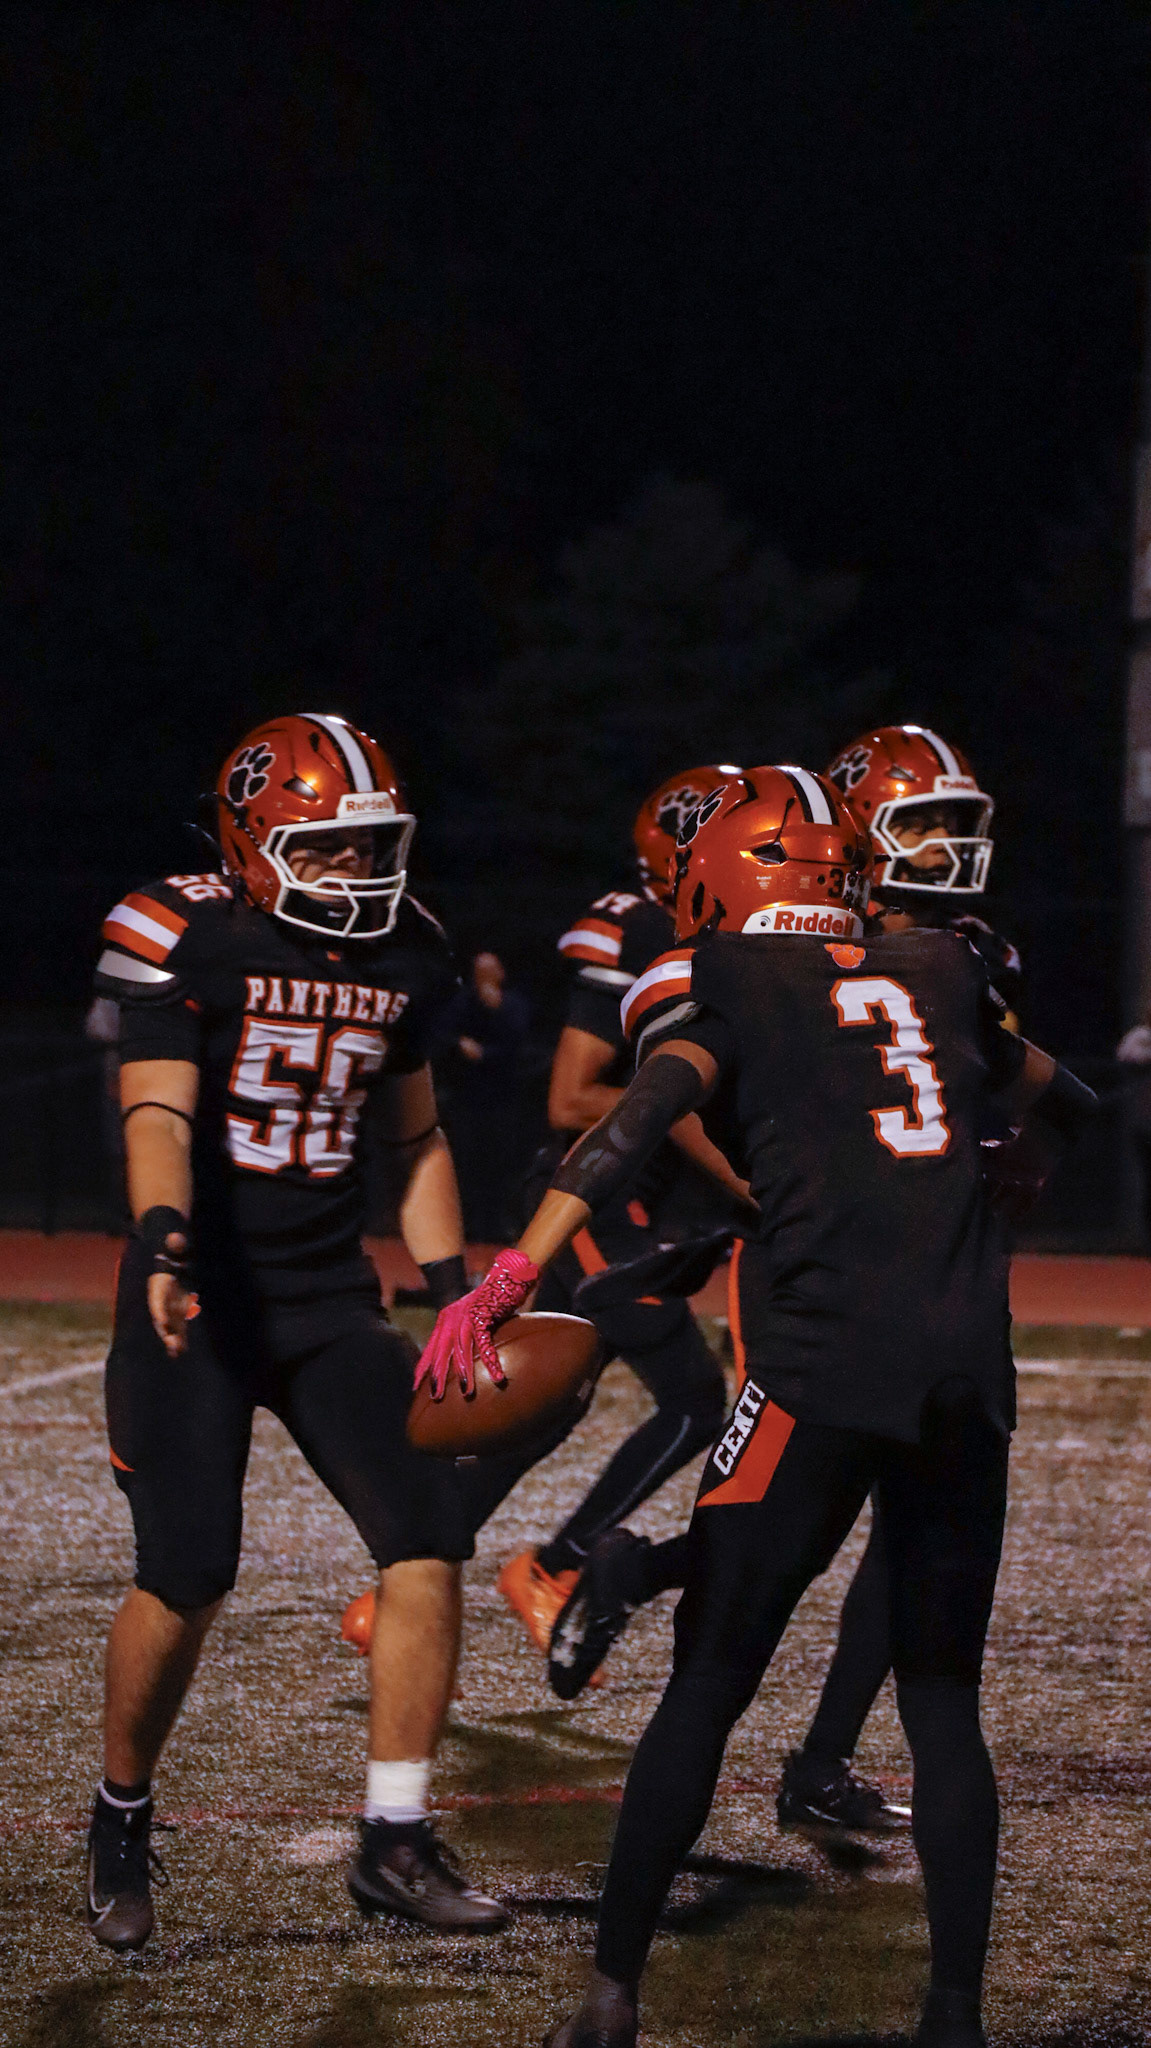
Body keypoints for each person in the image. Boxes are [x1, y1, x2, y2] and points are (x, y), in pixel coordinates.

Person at [413, 764, 1095, 2048]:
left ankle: (611, 1992)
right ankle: (953, 2017)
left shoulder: (719, 976)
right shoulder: (941, 965)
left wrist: (506, 1277)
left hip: (816, 1365)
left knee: (710, 1678)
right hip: (963, 1372)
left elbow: (626, 1125)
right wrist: (1026, 1164)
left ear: (717, 883)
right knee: (942, 1704)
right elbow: (1070, 1100)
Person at [549, 728, 1023, 1840]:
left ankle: (815, 1757)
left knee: (897, 1536)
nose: (947, 845)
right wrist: (758, 1198)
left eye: (957, 824)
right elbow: (669, 1094)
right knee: (788, 1529)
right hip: (807, 1267)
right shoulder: (779, 941)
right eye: (923, 823)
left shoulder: (965, 950)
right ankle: (644, 1585)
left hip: (929, 1273)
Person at [85, 712, 506, 1951]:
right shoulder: (188, 929)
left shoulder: (409, 949)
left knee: (426, 1537)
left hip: (328, 1297)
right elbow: (157, 1107)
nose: (355, 869)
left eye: (371, 843)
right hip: (201, 1298)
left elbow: (414, 1137)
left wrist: (453, 1287)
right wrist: (164, 1235)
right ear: (249, 842)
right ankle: (120, 1814)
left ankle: (394, 1838)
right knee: (186, 1574)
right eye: (324, 847)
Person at [474, 765, 754, 1661]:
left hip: (628, 1202)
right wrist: (730, 1158)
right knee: (692, 1401)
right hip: (590, 1196)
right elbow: (570, 1096)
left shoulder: (721, 939)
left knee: (546, 1408)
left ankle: (411, 1564)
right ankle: (554, 1567)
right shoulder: (638, 927)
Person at [434, 950, 530, 1242]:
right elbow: (442, 1034)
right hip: (466, 1097)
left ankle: (499, 1225)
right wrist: (460, 1045)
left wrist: (486, 1052)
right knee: (466, 1163)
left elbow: (520, 1046)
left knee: (501, 1165)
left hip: (503, 1097)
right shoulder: (462, 1001)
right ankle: (467, 1226)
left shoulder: (514, 1004)